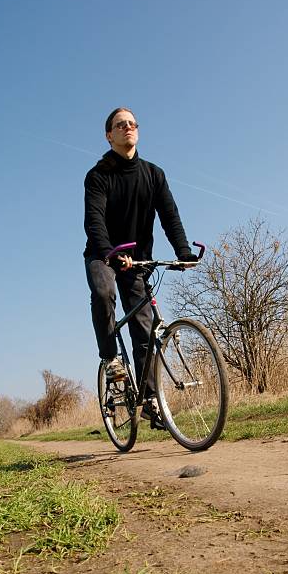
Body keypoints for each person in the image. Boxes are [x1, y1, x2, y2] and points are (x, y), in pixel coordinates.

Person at [83, 107, 197, 425]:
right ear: (109, 135)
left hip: (137, 260)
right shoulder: (98, 176)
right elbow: (94, 221)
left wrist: (183, 251)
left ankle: (149, 400)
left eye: (132, 123)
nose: (128, 128)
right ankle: (110, 360)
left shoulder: (153, 174)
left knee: (145, 329)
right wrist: (109, 253)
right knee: (104, 294)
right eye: (121, 125)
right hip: (103, 255)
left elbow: (169, 216)